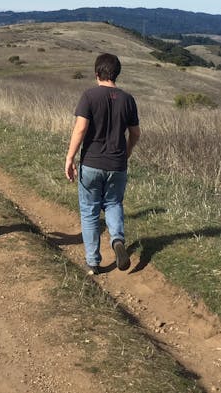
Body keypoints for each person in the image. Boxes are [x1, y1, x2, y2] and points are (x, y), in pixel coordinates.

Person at [64, 53, 140, 274]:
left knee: (90, 211)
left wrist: (70, 158)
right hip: (117, 165)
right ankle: (117, 239)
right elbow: (135, 133)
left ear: (97, 73)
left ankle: (93, 262)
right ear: (116, 74)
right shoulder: (128, 99)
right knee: (114, 203)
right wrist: (127, 151)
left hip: (91, 163)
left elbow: (80, 129)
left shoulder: (89, 96)